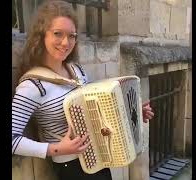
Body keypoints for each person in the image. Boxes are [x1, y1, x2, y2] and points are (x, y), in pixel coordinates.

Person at [12, 1, 154, 180]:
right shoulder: (32, 86)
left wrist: (132, 112)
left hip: (98, 161)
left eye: (72, 36)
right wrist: (57, 149)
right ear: (41, 36)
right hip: (70, 168)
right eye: (58, 34)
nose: (66, 42)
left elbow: (95, 111)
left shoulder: (76, 70)